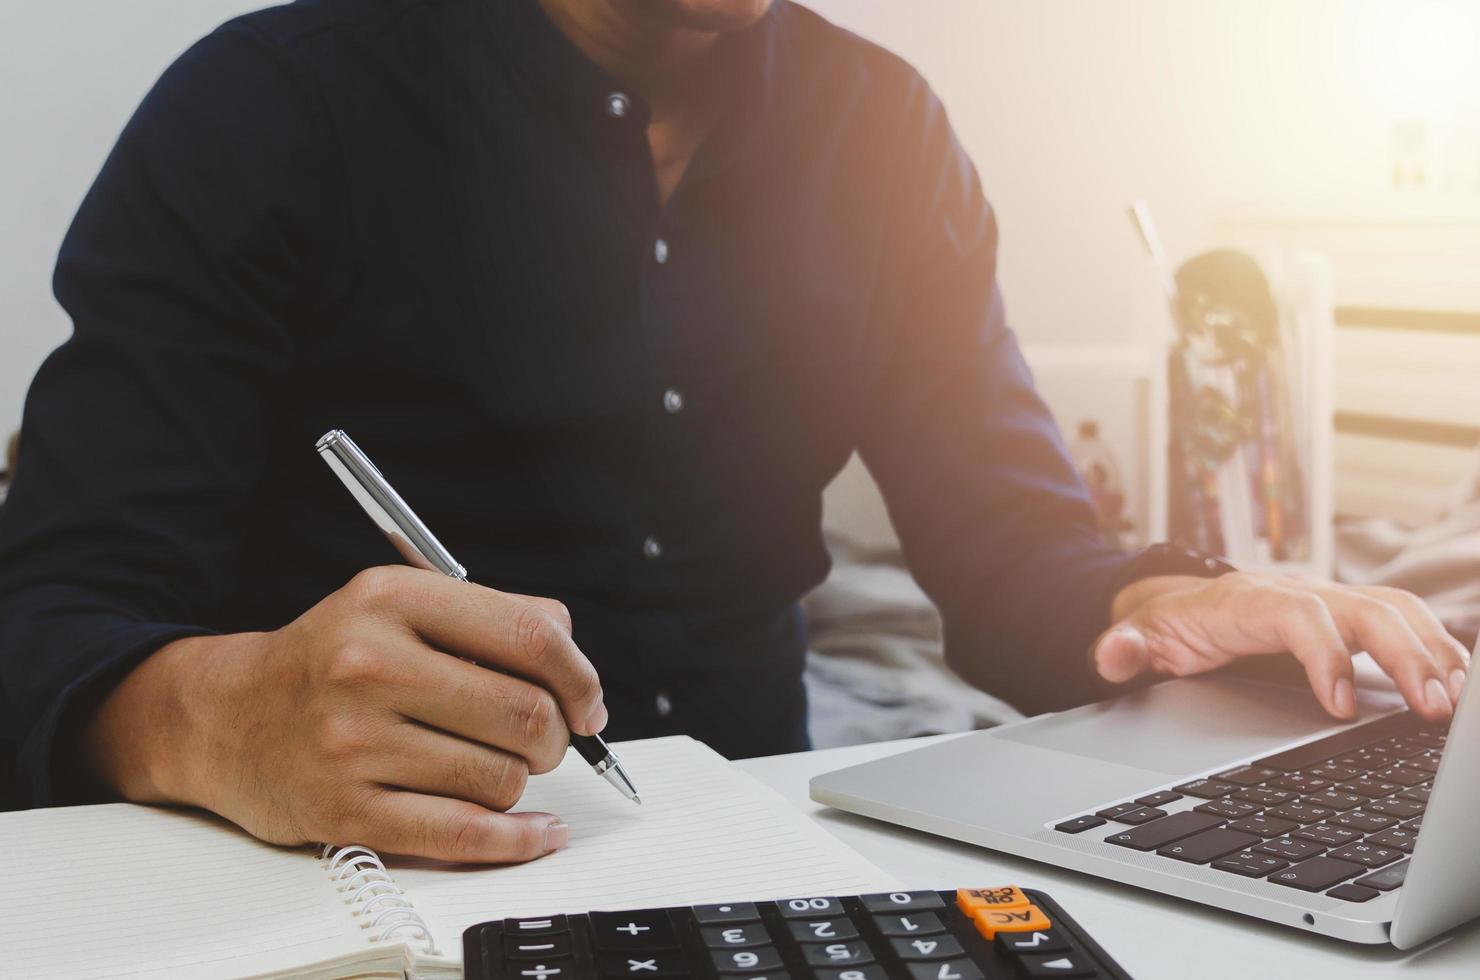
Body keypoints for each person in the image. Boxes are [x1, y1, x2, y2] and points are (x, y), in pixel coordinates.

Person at [0, 0, 1467, 864]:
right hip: (357, 862)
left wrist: (1175, 602)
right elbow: (48, 609)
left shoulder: (886, 129)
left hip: (759, 842)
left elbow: (1011, 541)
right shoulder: (266, 106)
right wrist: (213, 717)